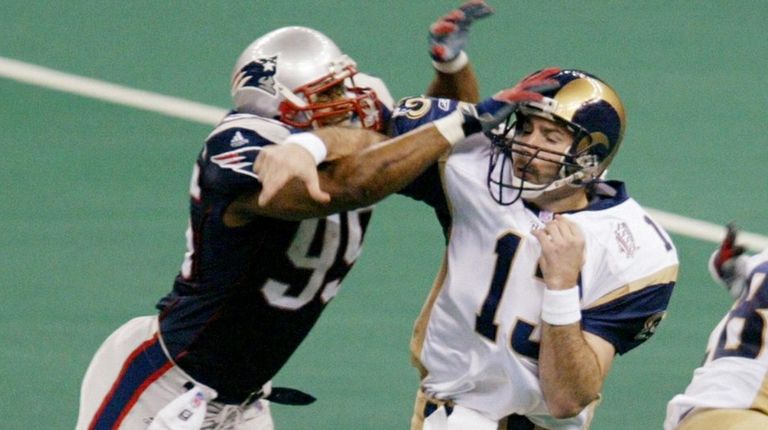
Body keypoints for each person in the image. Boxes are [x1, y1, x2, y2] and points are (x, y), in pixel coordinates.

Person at [75, 2, 551, 428]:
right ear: (284, 106)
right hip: (164, 384)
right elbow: (345, 185)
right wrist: (459, 121)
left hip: (243, 404)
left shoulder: (338, 136)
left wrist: (450, 69)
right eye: (326, 95)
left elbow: (422, 139)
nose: (350, 99)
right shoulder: (240, 150)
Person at [379, 69, 680, 429]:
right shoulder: (476, 166)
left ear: (590, 158)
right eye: (525, 128)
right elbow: (373, 146)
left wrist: (562, 287)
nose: (526, 145)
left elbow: (567, 398)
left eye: (550, 136)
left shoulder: (638, 251)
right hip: (446, 410)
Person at [664, 224, 768, 429]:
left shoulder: (761, 261)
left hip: (697, 412)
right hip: (746, 414)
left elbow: (731, 269)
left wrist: (726, 264)